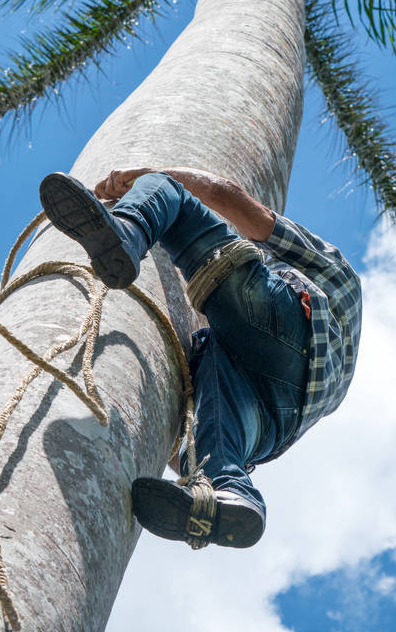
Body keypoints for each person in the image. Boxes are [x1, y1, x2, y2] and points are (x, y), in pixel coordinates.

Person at [39, 166, 362, 550]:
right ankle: (226, 493)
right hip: (278, 420)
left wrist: (143, 177)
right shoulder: (335, 364)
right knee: (215, 430)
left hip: (292, 333)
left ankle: (129, 229)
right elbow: (186, 438)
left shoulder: (335, 270)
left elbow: (225, 195)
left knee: (166, 192)